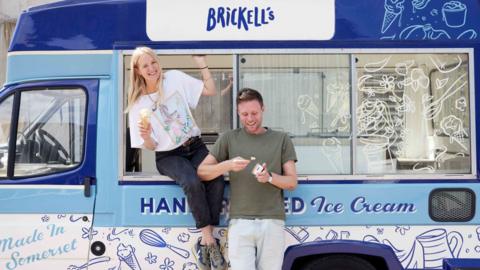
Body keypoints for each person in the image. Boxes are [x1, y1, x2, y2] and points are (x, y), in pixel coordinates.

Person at [126, 47, 226, 270]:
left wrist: (201, 61)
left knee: (217, 178)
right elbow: (151, 146)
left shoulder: (174, 78)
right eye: (145, 65)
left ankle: (205, 241)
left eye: (153, 62)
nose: (152, 68)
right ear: (137, 70)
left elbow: (211, 90)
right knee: (191, 181)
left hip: (195, 146)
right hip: (168, 155)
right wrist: (145, 136)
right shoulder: (138, 104)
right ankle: (209, 240)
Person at [198, 88, 298, 270]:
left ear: (263, 109)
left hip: (272, 222)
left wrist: (269, 178)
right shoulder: (229, 138)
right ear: (238, 113)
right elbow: (202, 172)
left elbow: (291, 182)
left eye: (254, 113)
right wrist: (227, 165)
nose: (250, 119)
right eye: (245, 114)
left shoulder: (281, 139)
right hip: (239, 223)